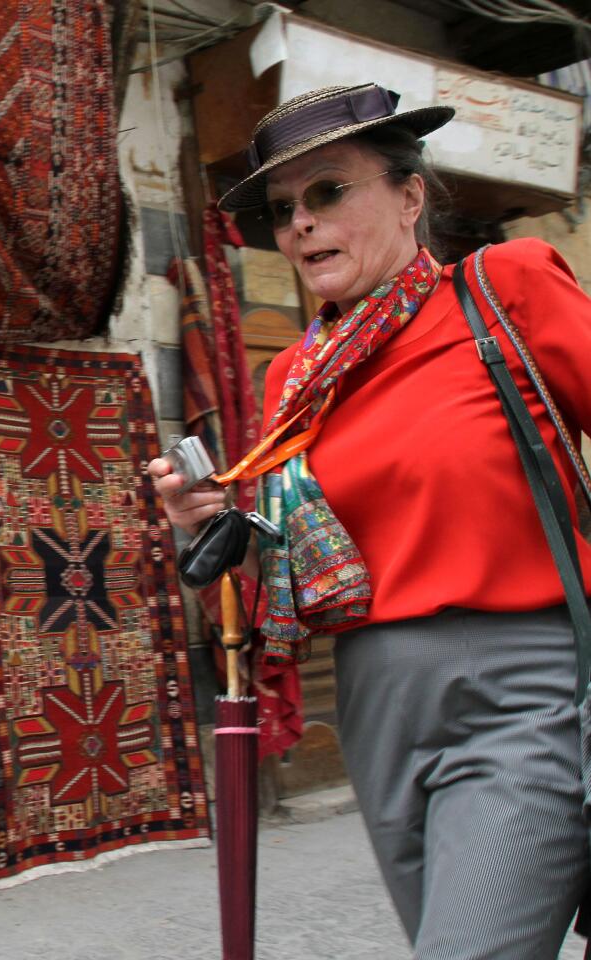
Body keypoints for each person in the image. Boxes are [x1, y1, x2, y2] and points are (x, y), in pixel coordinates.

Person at [149, 83, 591, 960]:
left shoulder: (503, 289)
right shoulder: (295, 380)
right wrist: (200, 529)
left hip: (525, 692)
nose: (302, 223)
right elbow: (275, 593)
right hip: (375, 706)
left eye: (328, 191)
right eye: (283, 210)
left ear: (410, 195)